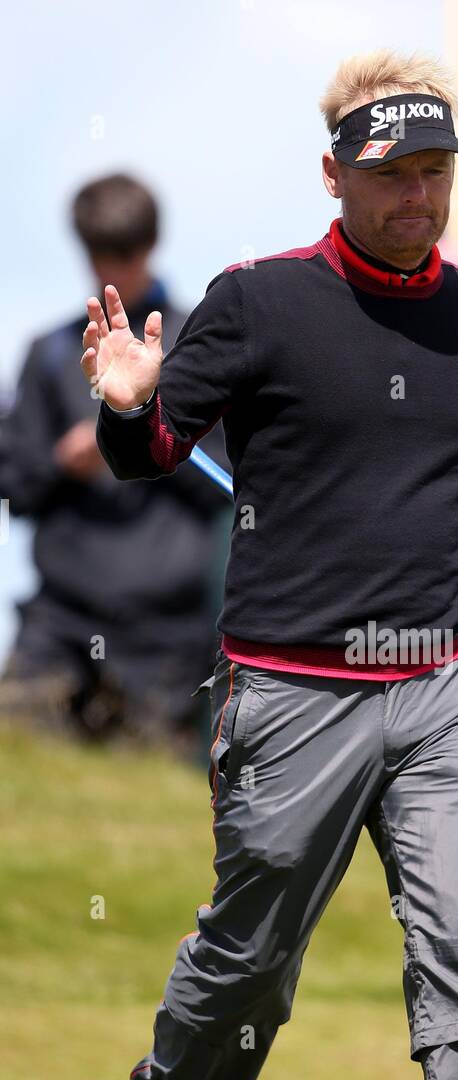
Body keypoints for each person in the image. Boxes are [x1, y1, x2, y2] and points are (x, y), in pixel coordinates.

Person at [83, 49, 458, 1080]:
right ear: (335, 174)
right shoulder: (256, 299)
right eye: (395, 175)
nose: (419, 199)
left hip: (443, 687)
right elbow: (150, 455)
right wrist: (126, 404)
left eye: (435, 175)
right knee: (254, 960)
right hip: (290, 693)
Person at [0, 173, 230, 761]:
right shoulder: (52, 353)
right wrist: (62, 462)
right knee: (19, 763)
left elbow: (235, 485)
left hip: (171, 633)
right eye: (101, 254)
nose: (115, 268)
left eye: (126, 253)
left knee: (155, 793)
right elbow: (13, 483)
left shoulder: (195, 345)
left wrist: (138, 437)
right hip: (60, 624)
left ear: (151, 246)